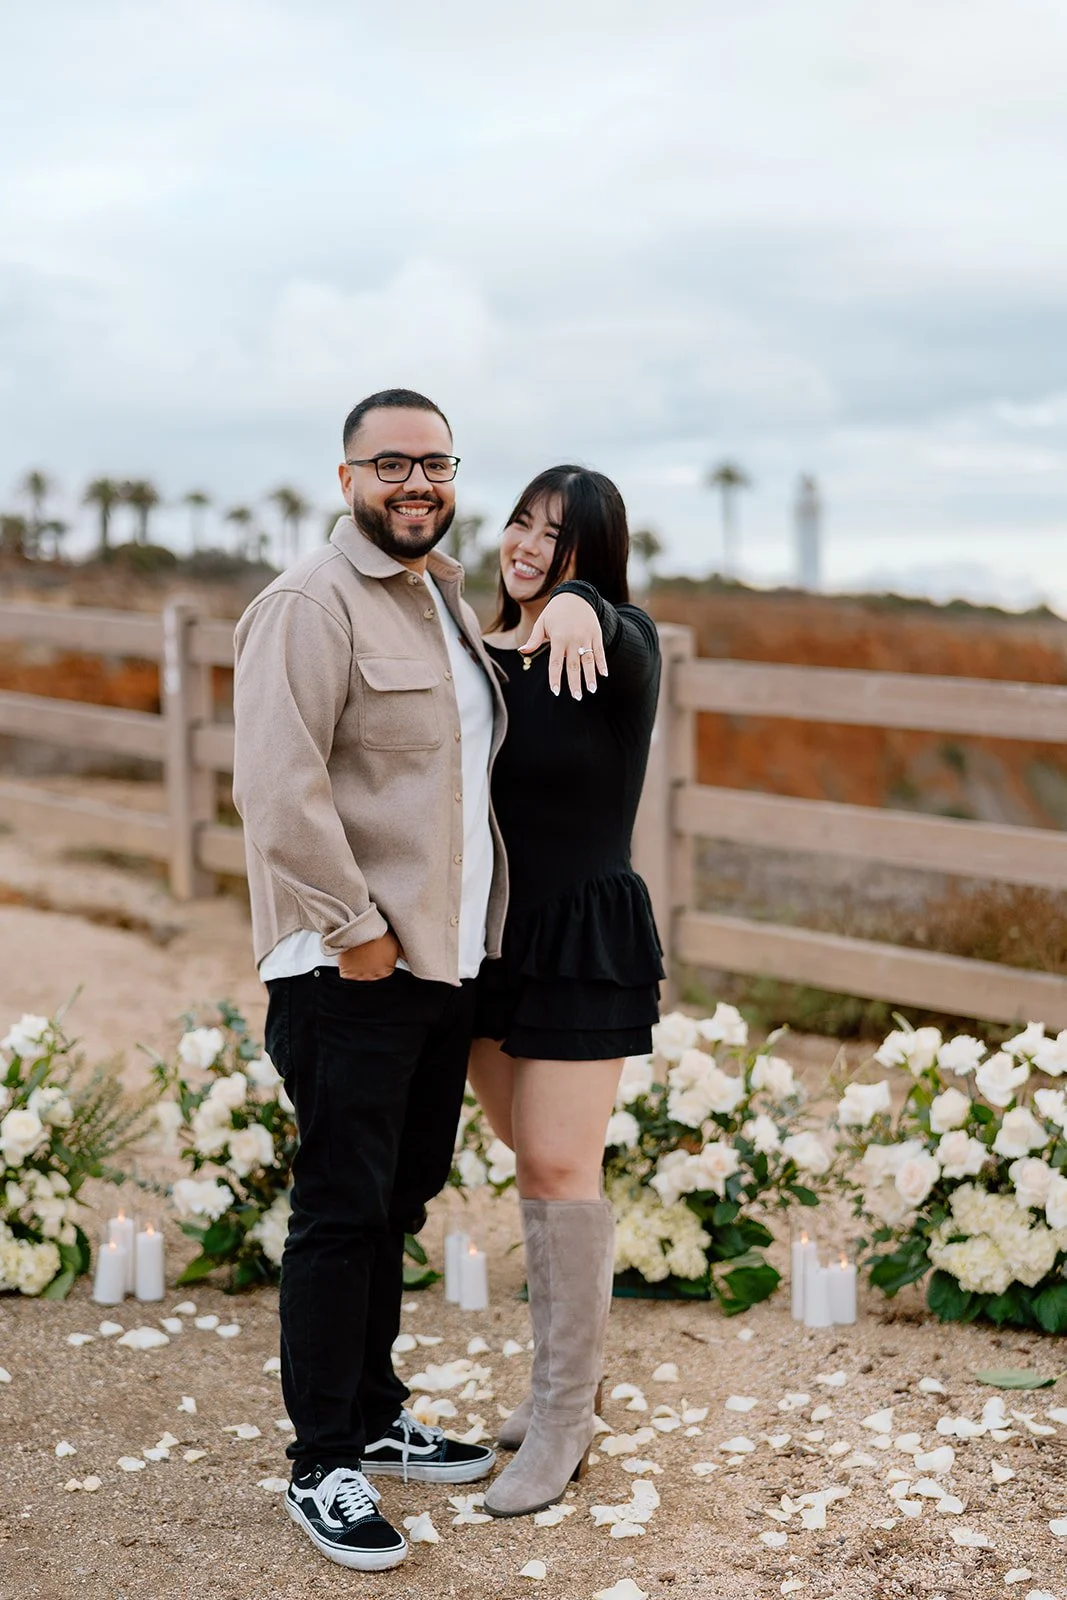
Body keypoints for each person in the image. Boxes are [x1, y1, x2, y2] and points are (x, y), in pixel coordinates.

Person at [232, 389, 509, 1572]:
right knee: (343, 1213)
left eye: (435, 461)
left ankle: (375, 1407)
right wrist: (355, 932)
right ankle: (322, 1462)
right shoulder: (308, 603)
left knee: (400, 1194)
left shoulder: (442, 593)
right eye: (390, 461)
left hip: (438, 967)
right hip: (353, 967)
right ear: (345, 475)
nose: (416, 480)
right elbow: (275, 788)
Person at [467, 465, 665, 1518]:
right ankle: (568, 1382)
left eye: (562, 537)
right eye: (523, 524)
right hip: (491, 942)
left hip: (582, 933)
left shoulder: (616, 645)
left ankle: (560, 1415)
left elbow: (623, 633)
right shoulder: (482, 654)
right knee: (527, 1148)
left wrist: (584, 603)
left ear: (596, 556)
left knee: (554, 1160)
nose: (532, 546)